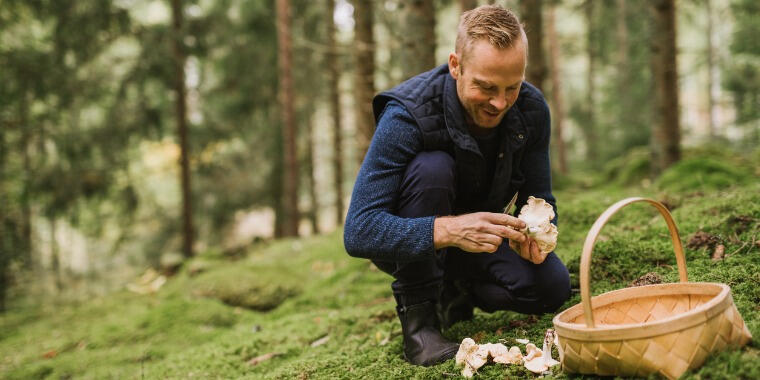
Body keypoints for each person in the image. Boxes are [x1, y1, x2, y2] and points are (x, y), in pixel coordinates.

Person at [343, 5, 570, 367]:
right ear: (455, 65)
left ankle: (455, 292)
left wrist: (532, 238)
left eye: (512, 87)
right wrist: (448, 229)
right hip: (417, 241)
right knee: (432, 168)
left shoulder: (530, 109)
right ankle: (420, 324)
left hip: (480, 241)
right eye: (486, 86)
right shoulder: (407, 114)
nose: (500, 102)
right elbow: (358, 231)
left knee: (553, 286)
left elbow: (540, 198)